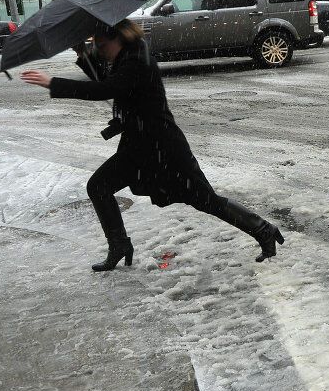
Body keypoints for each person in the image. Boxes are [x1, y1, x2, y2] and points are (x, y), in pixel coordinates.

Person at [19, 20, 285, 271]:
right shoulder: (127, 55)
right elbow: (108, 81)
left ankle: (262, 229)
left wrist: (52, 83)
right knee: (98, 186)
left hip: (165, 149)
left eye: (101, 47)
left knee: (206, 200)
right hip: (139, 149)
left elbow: (105, 89)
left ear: (117, 38)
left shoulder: (137, 61)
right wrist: (82, 53)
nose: (100, 52)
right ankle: (119, 245)